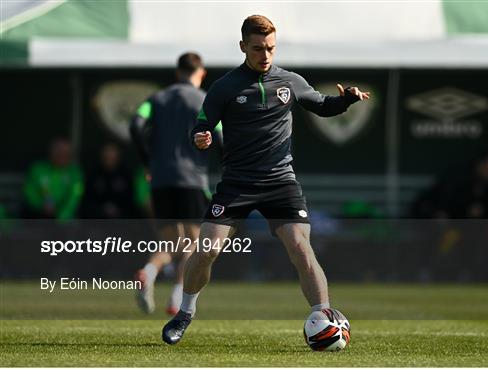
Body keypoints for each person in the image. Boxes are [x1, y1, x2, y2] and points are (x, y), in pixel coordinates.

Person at [162, 15, 370, 344]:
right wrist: (201, 136)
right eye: (258, 48)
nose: (265, 55)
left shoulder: (290, 81)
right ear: (243, 46)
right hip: (237, 184)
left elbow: (322, 105)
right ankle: (185, 312)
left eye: (271, 48)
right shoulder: (225, 87)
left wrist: (345, 100)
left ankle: (324, 317)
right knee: (207, 250)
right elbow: (201, 125)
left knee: (301, 248)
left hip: (280, 182)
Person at [130, 52, 221, 315]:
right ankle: (177, 297)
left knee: (170, 241)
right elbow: (221, 136)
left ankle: (149, 271)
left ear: (177, 73)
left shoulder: (157, 99)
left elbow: (136, 125)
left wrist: (148, 161)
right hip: (192, 179)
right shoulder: (206, 100)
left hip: (161, 180)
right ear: (201, 72)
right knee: (193, 243)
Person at [23, 138, 84, 220]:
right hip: (38, 213)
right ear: (51, 152)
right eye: (59, 152)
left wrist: (62, 216)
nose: (62, 155)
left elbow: (75, 195)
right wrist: (41, 205)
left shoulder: (75, 173)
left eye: (66, 153)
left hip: (64, 216)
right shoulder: (38, 169)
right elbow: (29, 191)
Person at [81, 143, 136, 219]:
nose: (109, 156)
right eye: (107, 153)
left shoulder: (126, 175)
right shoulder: (93, 174)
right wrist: (101, 210)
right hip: (97, 221)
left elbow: (131, 201)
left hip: (121, 220)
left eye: (112, 153)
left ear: (118, 156)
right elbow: (87, 200)